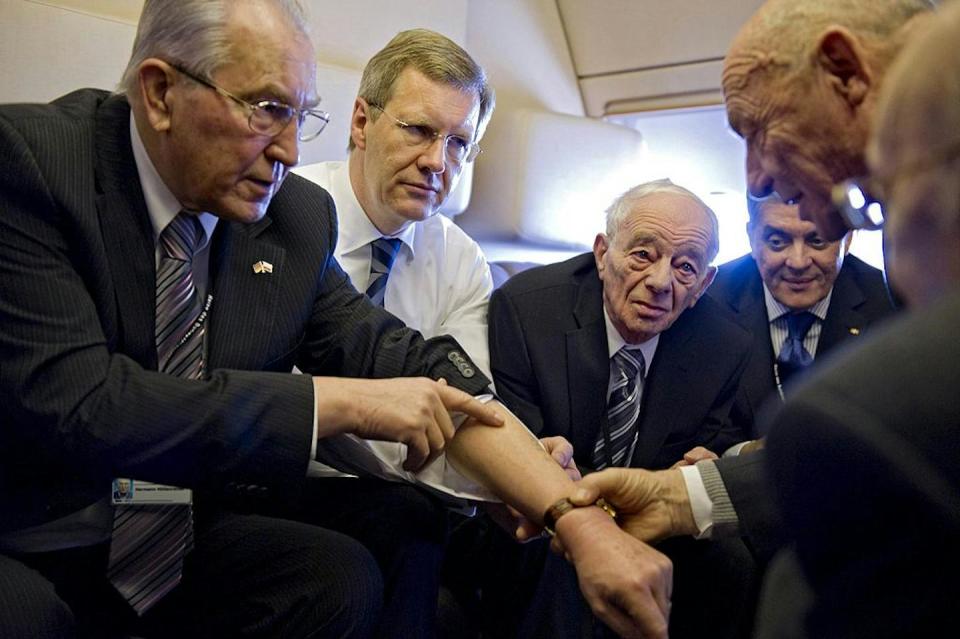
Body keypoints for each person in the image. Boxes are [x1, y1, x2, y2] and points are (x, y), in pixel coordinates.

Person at [0, 1, 672, 638]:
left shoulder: (290, 217)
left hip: (175, 516)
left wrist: (571, 515)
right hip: (36, 523)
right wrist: (337, 401)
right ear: (159, 92)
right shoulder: (31, 164)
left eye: (300, 116)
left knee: (337, 578)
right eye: (266, 111)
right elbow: (84, 404)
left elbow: (402, 358)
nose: (289, 150)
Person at [446, 180, 757, 639]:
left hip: (649, 512)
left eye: (686, 266)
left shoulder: (725, 345)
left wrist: (696, 469)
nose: (660, 282)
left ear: (704, 284)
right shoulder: (528, 309)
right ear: (602, 253)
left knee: (732, 560)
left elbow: (693, 461)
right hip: (544, 506)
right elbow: (522, 450)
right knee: (553, 551)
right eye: (643, 255)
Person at [293, 28, 494, 378]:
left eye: (458, 143)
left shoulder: (462, 262)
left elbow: (460, 405)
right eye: (417, 129)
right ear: (361, 123)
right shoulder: (284, 214)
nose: (436, 161)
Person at [708, 193, 895, 415]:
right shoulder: (710, 302)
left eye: (817, 241)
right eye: (777, 242)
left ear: (848, 239)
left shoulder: (890, 307)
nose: (798, 262)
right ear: (751, 237)